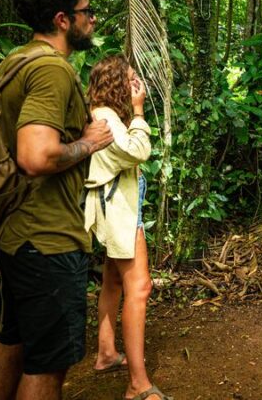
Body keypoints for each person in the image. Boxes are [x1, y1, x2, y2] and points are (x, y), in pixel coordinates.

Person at [0, 0, 114, 400]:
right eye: (86, 11)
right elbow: (36, 156)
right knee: (47, 365)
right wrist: (89, 143)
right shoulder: (52, 70)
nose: (92, 19)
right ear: (62, 20)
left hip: (13, 234)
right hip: (47, 239)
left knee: (14, 343)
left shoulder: (15, 61)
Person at [84, 55, 170, 400]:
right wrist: (138, 111)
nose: (138, 86)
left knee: (113, 279)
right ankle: (138, 384)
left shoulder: (101, 115)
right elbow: (139, 150)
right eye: (132, 81)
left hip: (113, 207)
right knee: (140, 287)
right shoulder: (106, 120)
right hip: (119, 210)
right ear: (119, 86)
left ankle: (106, 353)